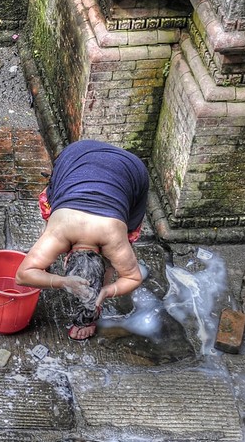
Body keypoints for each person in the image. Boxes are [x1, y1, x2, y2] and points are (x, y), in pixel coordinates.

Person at [15, 139, 149, 340]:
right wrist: (63, 282)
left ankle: (91, 311)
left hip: (130, 170)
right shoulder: (58, 233)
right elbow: (22, 276)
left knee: (123, 238)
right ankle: (45, 260)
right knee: (52, 213)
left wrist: (104, 292)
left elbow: (133, 278)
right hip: (78, 157)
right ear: (67, 258)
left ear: (66, 258)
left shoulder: (115, 242)